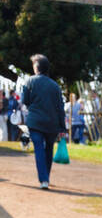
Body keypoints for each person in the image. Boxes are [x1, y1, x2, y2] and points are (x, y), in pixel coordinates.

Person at [21, 55, 66, 189]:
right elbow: (60, 108)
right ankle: (46, 177)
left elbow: (25, 101)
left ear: (36, 67)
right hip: (52, 123)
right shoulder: (55, 86)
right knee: (49, 148)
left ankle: (44, 179)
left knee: (39, 148)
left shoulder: (30, 81)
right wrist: (62, 128)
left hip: (35, 122)